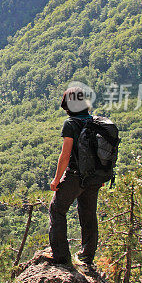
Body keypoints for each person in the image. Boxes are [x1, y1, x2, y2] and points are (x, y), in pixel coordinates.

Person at [48, 86, 102, 266]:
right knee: (88, 215)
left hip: (75, 176)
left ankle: (61, 257)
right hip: (93, 177)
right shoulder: (95, 121)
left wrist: (56, 180)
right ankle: (87, 258)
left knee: (57, 209)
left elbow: (65, 155)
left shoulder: (71, 124)